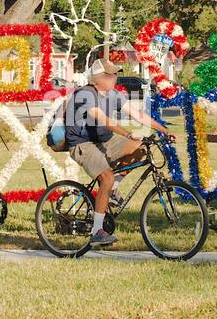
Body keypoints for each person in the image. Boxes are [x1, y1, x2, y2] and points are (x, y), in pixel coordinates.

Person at [64, 59, 172, 247]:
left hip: (104, 140)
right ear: (98, 78)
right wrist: (127, 133)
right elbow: (104, 120)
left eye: (114, 74)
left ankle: (112, 190)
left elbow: (137, 115)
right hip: (83, 143)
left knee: (139, 148)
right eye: (110, 75)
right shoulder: (85, 94)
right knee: (106, 177)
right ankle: (97, 231)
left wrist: (164, 130)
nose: (114, 78)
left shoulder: (113, 94)